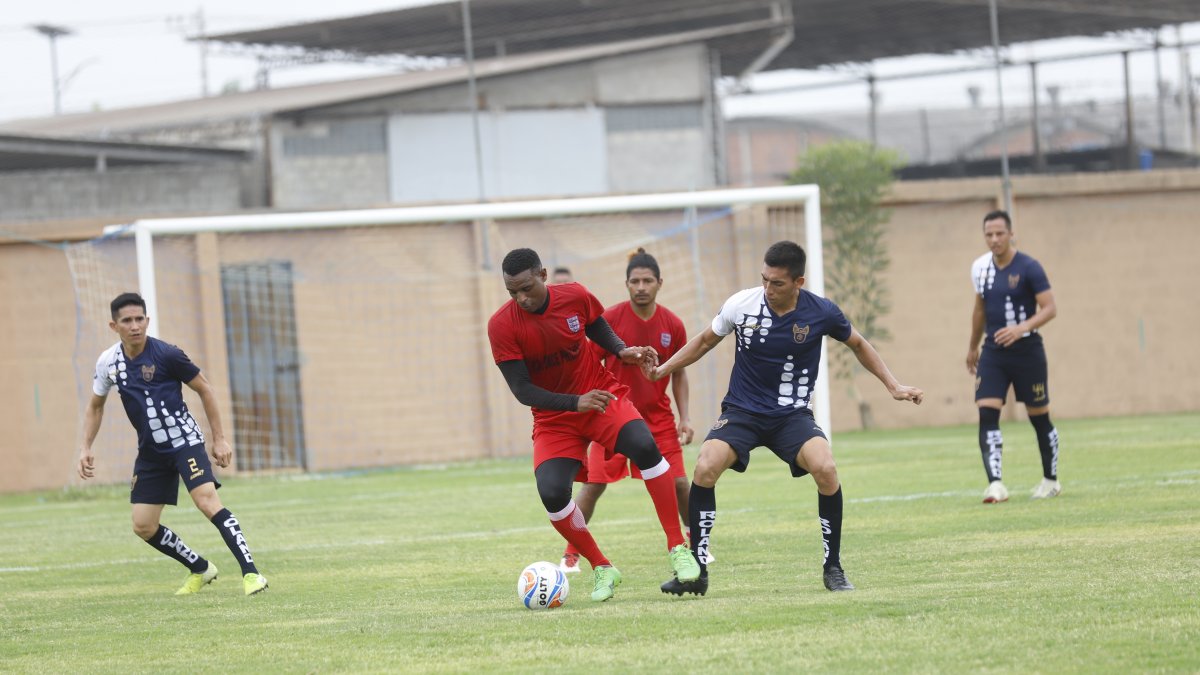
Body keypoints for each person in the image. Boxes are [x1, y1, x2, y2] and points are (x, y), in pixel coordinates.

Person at [644, 241, 923, 596]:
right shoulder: (741, 305)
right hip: (742, 411)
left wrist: (893, 385)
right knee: (704, 467)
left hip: (791, 415)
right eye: (764, 280)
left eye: (777, 283)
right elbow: (703, 342)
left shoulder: (821, 312)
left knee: (826, 469)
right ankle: (698, 572)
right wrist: (663, 370)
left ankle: (833, 567)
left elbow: (859, 344)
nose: (768, 289)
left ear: (798, 282)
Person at [487, 248, 701, 602]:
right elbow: (522, 390)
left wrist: (621, 350)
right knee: (553, 495)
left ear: (542, 274)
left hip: (599, 396)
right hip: (554, 419)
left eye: (526, 288)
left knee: (646, 446)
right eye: (513, 292)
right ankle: (602, 566)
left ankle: (678, 547)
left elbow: (596, 324)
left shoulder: (574, 295)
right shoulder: (502, 325)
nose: (521, 298)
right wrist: (574, 403)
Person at [78, 292, 269, 596]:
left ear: (147, 321)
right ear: (114, 326)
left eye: (140, 319)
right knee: (143, 525)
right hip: (151, 453)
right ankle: (200, 567)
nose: (135, 325)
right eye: (127, 320)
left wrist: (219, 439)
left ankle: (252, 574)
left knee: (206, 501)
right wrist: (86, 446)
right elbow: (95, 406)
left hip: (185, 443)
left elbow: (205, 389)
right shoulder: (108, 362)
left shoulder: (167, 354)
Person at [559, 248, 695, 574]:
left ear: (660, 283)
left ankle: (695, 543)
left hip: (658, 419)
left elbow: (679, 373)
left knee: (679, 483)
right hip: (614, 417)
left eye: (648, 280)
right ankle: (570, 555)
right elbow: (587, 362)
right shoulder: (610, 320)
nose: (641, 287)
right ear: (626, 284)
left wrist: (686, 417)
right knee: (592, 487)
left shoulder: (673, 325)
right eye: (635, 281)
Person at [966, 210, 1061, 503]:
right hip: (994, 352)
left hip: (1028, 351)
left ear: (1010, 234)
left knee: (1039, 417)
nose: (994, 239)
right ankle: (995, 484)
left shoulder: (1030, 267)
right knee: (986, 411)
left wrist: (1021, 329)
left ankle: (1050, 480)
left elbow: (1049, 308)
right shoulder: (981, 269)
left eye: (999, 234)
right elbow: (979, 309)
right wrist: (972, 347)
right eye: (989, 234)